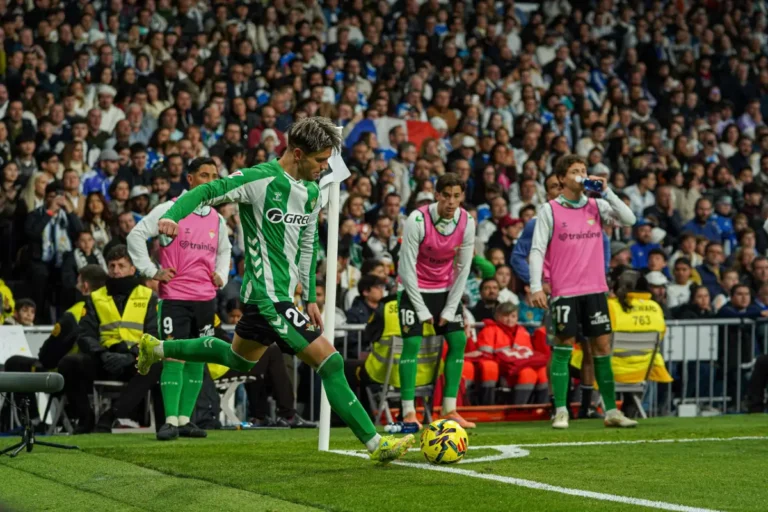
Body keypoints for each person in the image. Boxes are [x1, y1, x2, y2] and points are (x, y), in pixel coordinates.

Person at [136, 117, 413, 463]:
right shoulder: (260, 179)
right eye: (319, 160)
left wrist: (309, 297)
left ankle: (157, 348)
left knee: (235, 358)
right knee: (331, 362)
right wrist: (174, 216)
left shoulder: (312, 192)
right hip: (268, 298)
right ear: (297, 154)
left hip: (280, 298)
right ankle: (376, 444)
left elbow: (309, 244)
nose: (324, 167)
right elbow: (207, 190)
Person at [127, 157, 232, 441]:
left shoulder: (217, 218)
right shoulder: (169, 209)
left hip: (205, 298)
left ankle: (185, 420)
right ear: (190, 179)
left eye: (214, 176)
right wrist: (152, 271)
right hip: (175, 297)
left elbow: (225, 250)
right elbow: (136, 235)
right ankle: (170, 420)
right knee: (173, 355)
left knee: (198, 357)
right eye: (204, 175)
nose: (210, 181)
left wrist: (221, 274)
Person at [530, 154, 638, 429]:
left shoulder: (597, 205)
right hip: (565, 291)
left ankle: (611, 411)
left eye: (583, 170)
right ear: (562, 178)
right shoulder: (549, 209)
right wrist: (535, 286)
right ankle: (561, 410)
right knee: (563, 347)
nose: (581, 174)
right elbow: (537, 249)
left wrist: (607, 191)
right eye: (575, 171)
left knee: (602, 347)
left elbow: (630, 219)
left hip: (595, 289)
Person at [397, 172, 476, 429]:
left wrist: (451, 307)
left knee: (458, 340)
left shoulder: (467, 221)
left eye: (457, 196)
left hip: (444, 288)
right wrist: (421, 309)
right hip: (413, 287)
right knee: (412, 343)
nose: (451, 202)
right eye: (447, 196)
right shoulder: (417, 219)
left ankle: (450, 409)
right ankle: (409, 412)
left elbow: (462, 268)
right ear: (437, 195)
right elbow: (406, 267)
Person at [58, 245, 160, 433]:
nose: (116, 270)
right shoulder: (95, 297)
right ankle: (86, 418)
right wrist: (102, 354)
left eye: (121, 266)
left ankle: (111, 415)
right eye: (112, 266)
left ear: (132, 269)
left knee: (155, 365)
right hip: (104, 358)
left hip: (133, 359)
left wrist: (131, 355)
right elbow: (85, 335)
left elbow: (153, 335)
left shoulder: (148, 296)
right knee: (69, 363)